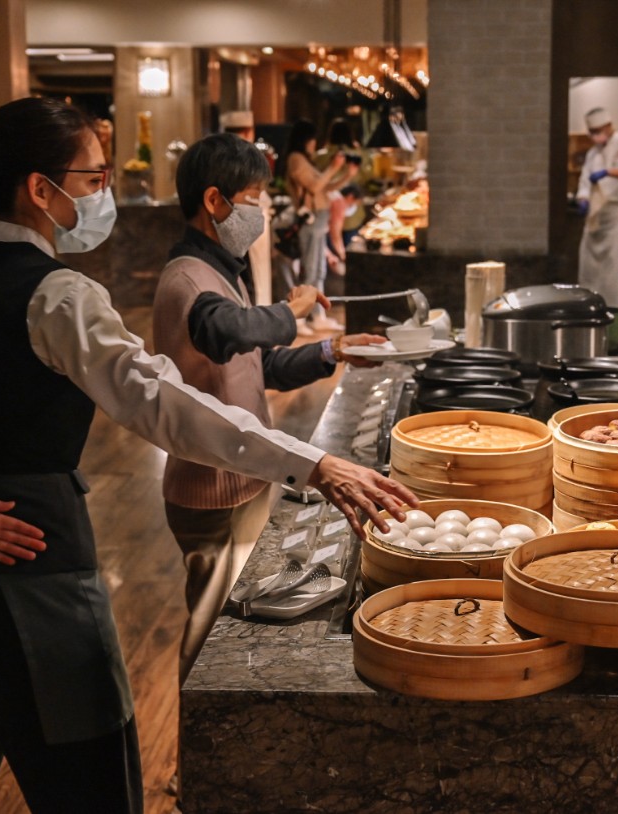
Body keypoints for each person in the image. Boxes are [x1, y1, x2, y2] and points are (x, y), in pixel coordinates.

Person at [0, 96, 415, 814]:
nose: (103, 195)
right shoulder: (58, 296)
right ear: (40, 188)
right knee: (87, 774)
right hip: (35, 564)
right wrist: (312, 463)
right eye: (93, 179)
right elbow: (165, 404)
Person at [156, 133, 387, 686]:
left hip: (244, 475)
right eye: (253, 198)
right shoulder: (187, 276)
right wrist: (292, 308)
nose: (259, 212)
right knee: (208, 633)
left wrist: (332, 350)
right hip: (207, 486)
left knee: (235, 620)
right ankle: (191, 756)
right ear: (216, 201)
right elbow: (227, 331)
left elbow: (262, 364)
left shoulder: (223, 269)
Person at [282, 118, 358, 333]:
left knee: (319, 270)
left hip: (320, 219)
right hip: (311, 219)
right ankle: (298, 319)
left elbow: (326, 187)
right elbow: (315, 187)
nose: (315, 143)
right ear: (306, 139)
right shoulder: (296, 159)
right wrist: (334, 168)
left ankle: (318, 316)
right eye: (313, 139)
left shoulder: (306, 159)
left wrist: (346, 175)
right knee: (311, 270)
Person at [576, 107, 618, 308]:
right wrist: (583, 198)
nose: (596, 135)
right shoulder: (592, 153)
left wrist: (610, 172)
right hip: (597, 216)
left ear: (609, 126)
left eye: (599, 130)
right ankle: (590, 305)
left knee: (616, 267)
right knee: (590, 267)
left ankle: (617, 307)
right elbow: (585, 181)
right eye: (592, 132)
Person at [220, 109, 274, 307]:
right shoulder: (249, 158)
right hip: (249, 221)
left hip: (227, 225)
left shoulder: (219, 158)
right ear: (249, 132)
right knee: (254, 276)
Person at [326, 183, 364, 275]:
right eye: (355, 202)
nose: (353, 206)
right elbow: (335, 233)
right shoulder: (339, 203)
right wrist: (342, 254)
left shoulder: (335, 197)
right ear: (350, 196)